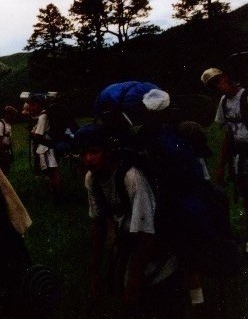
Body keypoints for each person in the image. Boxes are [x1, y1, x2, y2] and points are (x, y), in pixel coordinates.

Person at [76, 123, 186, 319]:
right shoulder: (91, 179)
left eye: (94, 151)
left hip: (156, 245)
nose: (88, 159)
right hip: (131, 243)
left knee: (156, 298)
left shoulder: (131, 177)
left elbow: (146, 234)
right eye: (83, 153)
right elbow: (99, 224)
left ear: (108, 151)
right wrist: (95, 270)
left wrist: (133, 282)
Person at [202, 67, 248, 267]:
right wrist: (221, 166)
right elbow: (229, 136)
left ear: (226, 77)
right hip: (240, 159)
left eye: (218, 81)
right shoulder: (224, 102)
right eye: (213, 85)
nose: (217, 86)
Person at [23, 94, 63, 200]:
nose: (30, 107)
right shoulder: (43, 115)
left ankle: (57, 195)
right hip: (48, 147)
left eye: (32, 105)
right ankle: (55, 192)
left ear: (38, 105)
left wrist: (32, 133)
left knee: (52, 172)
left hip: (46, 148)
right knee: (51, 172)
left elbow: (39, 135)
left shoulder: (43, 117)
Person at [0, 106, 17, 174]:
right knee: (2, 166)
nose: (13, 117)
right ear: (7, 115)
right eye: (12, 115)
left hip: (7, 148)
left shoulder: (8, 124)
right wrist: (3, 151)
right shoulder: (0, 124)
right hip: (1, 150)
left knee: (7, 165)